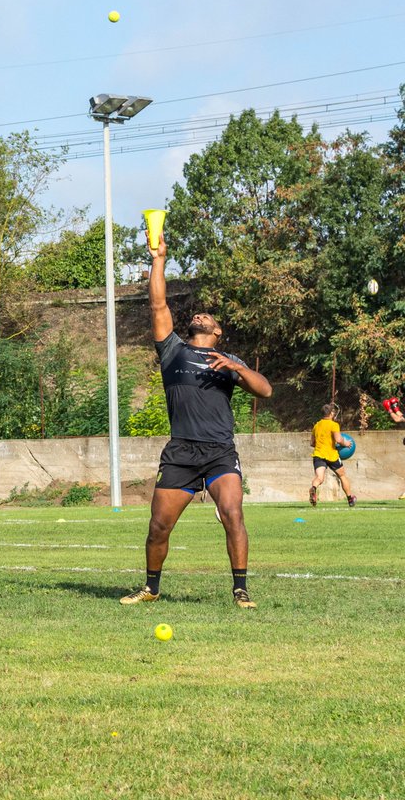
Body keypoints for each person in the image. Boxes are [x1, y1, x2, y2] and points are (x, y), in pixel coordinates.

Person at [120, 233, 273, 610]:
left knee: (232, 513)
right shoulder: (173, 351)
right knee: (159, 528)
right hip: (181, 452)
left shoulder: (228, 360)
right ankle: (151, 588)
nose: (200, 315)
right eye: (197, 315)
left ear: (218, 331)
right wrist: (159, 260)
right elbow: (158, 306)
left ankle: (240, 590)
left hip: (221, 452)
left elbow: (265, 390)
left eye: (208, 316)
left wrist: (236, 367)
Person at [308, 403, 355, 507]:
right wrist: (346, 443)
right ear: (331, 413)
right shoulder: (334, 425)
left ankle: (314, 488)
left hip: (318, 454)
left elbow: (312, 443)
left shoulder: (316, 425)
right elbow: (339, 439)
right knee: (342, 475)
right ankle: (350, 499)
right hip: (332, 455)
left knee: (319, 478)